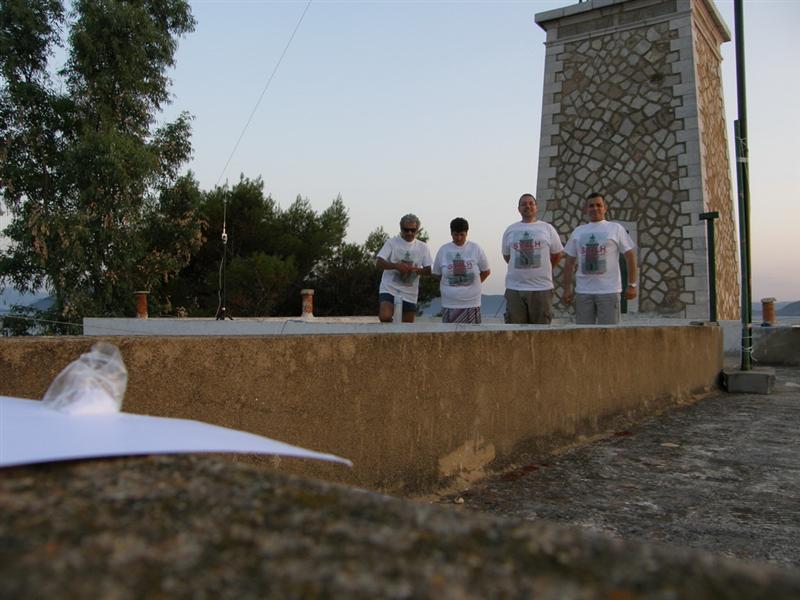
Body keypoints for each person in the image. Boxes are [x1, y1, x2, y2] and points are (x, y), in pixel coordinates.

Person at [562, 192, 637, 325]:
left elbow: (630, 256)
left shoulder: (615, 228)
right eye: (591, 206)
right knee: (584, 333)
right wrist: (567, 289)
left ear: (605, 208)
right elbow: (569, 262)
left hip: (609, 291)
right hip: (583, 292)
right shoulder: (578, 231)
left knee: (609, 333)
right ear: (586, 209)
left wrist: (632, 285)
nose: (595, 208)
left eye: (598, 205)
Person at [501, 193, 564, 324]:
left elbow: (557, 254)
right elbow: (507, 256)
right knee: (515, 332)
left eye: (531, 203)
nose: (527, 206)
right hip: (515, 289)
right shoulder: (510, 230)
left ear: (536, 207)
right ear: (519, 209)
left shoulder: (547, 228)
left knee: (541, 332)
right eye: (523, 204)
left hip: (541, 288)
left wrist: (546, 267)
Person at [432, 218, 491, 324]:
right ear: (451, 233)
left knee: (471, 333)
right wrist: (451, 283)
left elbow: (486, 271)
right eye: (456, 235)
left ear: (466, 233)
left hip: (472, 303)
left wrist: (472, 284)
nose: (459, 238)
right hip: (450, 303)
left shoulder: (475, 248)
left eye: (462, 235)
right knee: (450, 333)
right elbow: (437, 274)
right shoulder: (443, 250)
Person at [376, 214, 432, 323]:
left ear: (417, 230)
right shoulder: (391, 243)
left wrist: (415, 270)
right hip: (389, 289)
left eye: (413, 230)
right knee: (385, 317)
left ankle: (395, 333)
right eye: (406, 230)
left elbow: (428, 270)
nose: (409, 233)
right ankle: (391, 331)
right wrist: (396, 266)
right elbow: (379, 263)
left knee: (407, 326)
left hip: (409, 293)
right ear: (401, 229)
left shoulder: (423, 247)